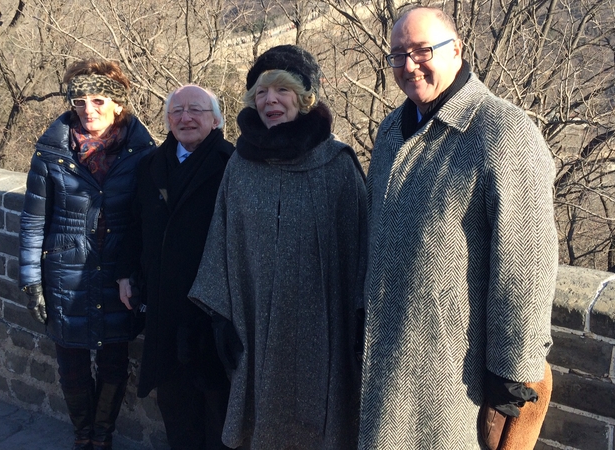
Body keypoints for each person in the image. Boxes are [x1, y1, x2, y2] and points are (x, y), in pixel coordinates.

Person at [359, 6, 558, 449]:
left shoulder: (503, 132)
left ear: (457, 51)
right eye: (397, 55)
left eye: (422, 50)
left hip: (455, 374)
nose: (409, 65)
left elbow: (527, 261)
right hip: (387, 355)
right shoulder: (392, 129)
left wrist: (514, 374)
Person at [188, 45, 367, 450]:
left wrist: (359, 314)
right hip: (256, 327)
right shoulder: (241, 165)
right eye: (261, 93)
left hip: (324, 330)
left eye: (282, 91)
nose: (270, 101)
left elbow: (361, 249)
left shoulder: (338, 165)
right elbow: (223, 238)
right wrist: (221, 318)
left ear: (304, 100)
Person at [19, 58, 155, 450]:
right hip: (65, 273)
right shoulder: (51, 152)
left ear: (119, 103)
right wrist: (30, 279)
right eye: (79, 101)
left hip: (119, 272)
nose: (88, 110)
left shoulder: (142, 153)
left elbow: (147, 221)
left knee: (114, 361)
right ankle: (83, 436)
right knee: (72, 364)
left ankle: (102, 437)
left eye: (98, 100)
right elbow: (33, 220)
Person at [115, 85, 233, 449]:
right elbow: (132, 224)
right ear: (167, 120)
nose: (185, 118)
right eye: (177, 111)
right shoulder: (151, 164)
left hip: (213, 311)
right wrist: (124, 274)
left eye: (196, 110)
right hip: (164, 307)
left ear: (216, 120)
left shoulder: (233, 164)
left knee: (218, 408)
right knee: (174, 404)